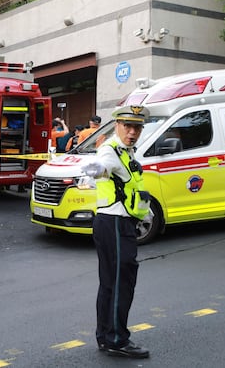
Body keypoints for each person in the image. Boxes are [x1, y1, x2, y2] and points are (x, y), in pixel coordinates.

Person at [81, 105, 152, 359]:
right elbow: (100, 166)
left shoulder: (127, 153)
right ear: (117, 126)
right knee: (121, 283)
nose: (132, 132)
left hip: (117, 223)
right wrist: (95, 169)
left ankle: (106, 336)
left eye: (137, 128)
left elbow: (133, 190)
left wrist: (145, 215)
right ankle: (117, 339)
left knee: (111, 283)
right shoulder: (109, 151)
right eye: (128, 127)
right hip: (114, 225)